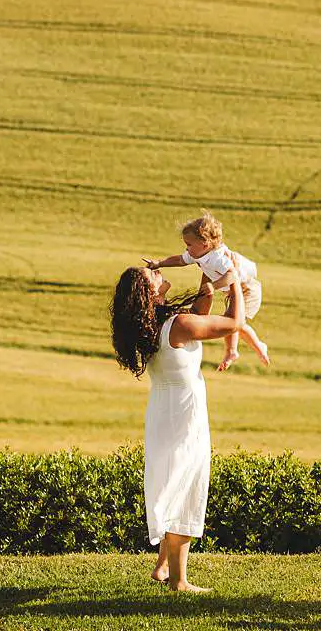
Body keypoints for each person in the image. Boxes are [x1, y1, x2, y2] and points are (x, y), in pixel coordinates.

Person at [111, 264, 243, 593]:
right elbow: (233, 324)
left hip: (164, 410)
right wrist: (235, 283)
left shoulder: (153, 323)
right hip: (182, 414)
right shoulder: (177, 324)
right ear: (149, 291)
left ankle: (162, 567)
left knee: (172, 481)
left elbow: (201, 310)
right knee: (184, 484)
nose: (157, 269)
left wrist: (207, 272)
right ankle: (179, 580)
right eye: (151, 273)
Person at [144, 211, 270, 368]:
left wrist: (214, 286)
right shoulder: (197, 254)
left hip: (248, 288)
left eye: (189, 244)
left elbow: (232, 275)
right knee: (229, 320)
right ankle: (232, 351)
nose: (186, 249)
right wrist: (159, 263)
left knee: (239, 323)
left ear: (204, 244)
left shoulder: (218, 258)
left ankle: (258, 346)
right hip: (232, 289)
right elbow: (179, 260)